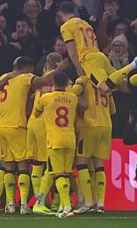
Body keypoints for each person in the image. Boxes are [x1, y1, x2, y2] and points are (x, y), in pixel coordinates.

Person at [0, 56, 59, 214]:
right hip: (17, 125)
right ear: (27, 67)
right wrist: (58, 69)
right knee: (22, 167)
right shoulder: (25, 77)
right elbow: (43, 81)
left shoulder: (3, 77)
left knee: (8, 167)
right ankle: (23, 204)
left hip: (0, 127)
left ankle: (9, 204)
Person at [57, 1, 137, 94]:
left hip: (88, 59)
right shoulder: (85, 23)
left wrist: (80, 68)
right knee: (124, 87)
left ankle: (134, 64)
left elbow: (71, 51)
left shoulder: (66, 26)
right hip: (100, 55)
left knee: (104, 88)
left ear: (61, 14)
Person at [34, 72, 85, 218]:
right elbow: (83, 105)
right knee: (62, 171)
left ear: (53, 83)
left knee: (58, 173)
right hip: (70, 139)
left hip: (54, 140)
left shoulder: (46, 98)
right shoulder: (73, 98)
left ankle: (66, 207)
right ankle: (44, 203)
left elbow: (37, 112)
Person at [69, 74, 116, 214]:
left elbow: (71, 95)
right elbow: (113, 110)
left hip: (89, 125)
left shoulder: (83, 80)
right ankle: (100, 203)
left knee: (81, 163)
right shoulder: (106, 83)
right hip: (106, 126)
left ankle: (88, 202)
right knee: (99, 166)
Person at [27, 52, 62, 201]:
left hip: (32, 123)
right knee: (50, 165)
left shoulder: (38, 81)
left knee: (36, 163)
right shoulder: (57, 80)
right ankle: (50, 202)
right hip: (45, 124)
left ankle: (39, 199)